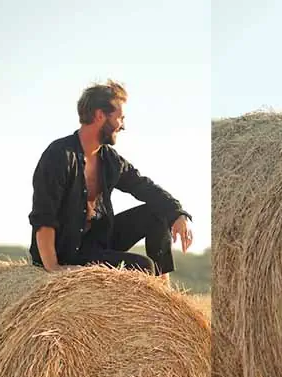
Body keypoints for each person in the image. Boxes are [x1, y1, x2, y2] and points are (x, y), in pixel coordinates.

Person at [28, 80, 193, 279]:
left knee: (157, 211)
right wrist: (53, 267)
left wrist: (178, 213)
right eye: (120, 118)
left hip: (96, 244)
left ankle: (164, 295)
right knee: (142, 267)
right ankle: (155, 290)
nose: (122, 126)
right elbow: (44, 216)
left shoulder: (109, 160)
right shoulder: (59, 156)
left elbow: (144, 187)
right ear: (100, 115)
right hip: (66, 250)